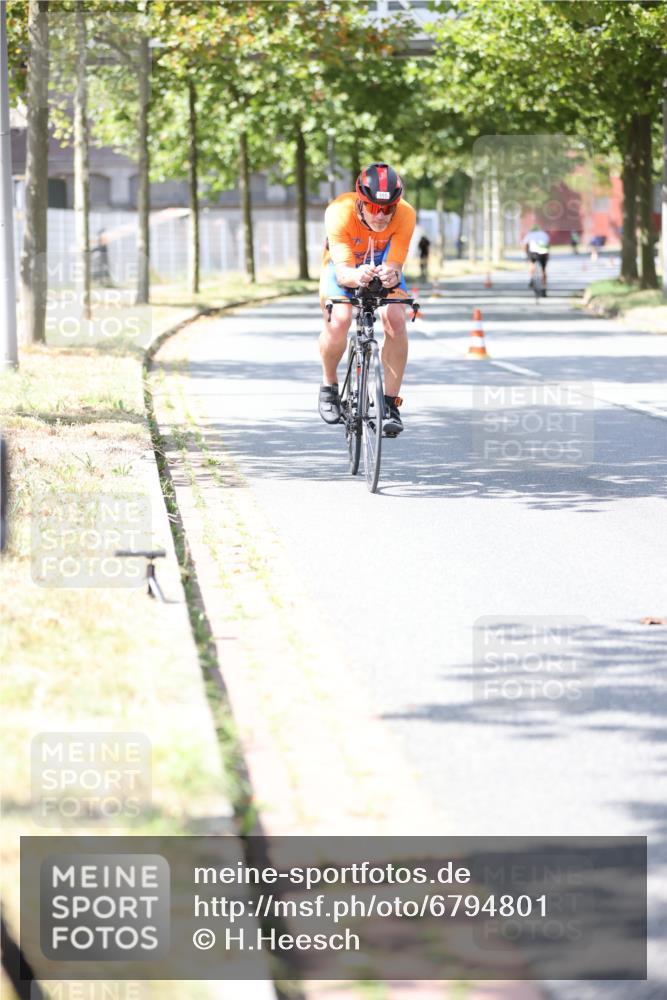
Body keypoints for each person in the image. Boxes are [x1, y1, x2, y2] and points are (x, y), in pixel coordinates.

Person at [318, 162, 416, 437]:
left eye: (388, 208)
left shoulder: (406, 214)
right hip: (343, 265)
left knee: (395, 318)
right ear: (360, 202)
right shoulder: (339, 211)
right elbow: (344, 272)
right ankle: (329, 384)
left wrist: (392, 275)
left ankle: (389, 404)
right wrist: (356, 276)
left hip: (382, 262)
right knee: (340, 319)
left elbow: (396, 265)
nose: (382, 215)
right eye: (374, 207)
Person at [523, 224, 550, 296]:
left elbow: (525, 244)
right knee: (544, 270)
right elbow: (547, 244)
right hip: (543, 252)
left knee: (531, 263)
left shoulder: (530, 234)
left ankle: (531, 279)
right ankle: (544, 289)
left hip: (533, 252)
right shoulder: (544, 234)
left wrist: (526, 254)